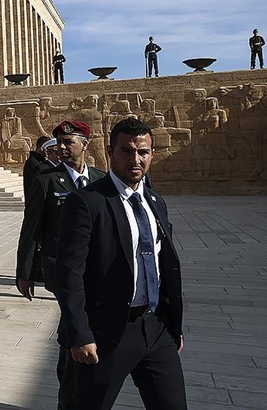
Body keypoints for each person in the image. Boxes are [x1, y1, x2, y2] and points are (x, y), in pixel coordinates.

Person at [56, 118, 186, 409]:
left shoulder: (154, 201)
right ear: (110, 152)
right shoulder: (88, 201)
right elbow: (69, 273)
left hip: (155, 326)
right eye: (126, 151)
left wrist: (173, 324)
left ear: (152, 154)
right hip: (105, 332)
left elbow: (164, 264)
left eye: (143, 152)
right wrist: (79, 333)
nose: (135, 160)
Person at [16, 120, 106, 409]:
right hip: (62, 271)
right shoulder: (46, 180)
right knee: (74, 323)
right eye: (59, 143)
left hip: (98, 271)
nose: (63, 148)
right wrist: (24, 272)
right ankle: (68, 397)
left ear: (85, 145)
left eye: (69, 142)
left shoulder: (101, 180)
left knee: (80, 329)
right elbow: (31, 227)